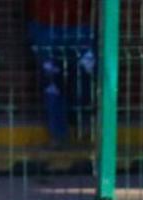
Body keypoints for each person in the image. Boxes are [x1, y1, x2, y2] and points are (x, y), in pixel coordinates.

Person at [26, 0, 96, 148]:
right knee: (52, 82)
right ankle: (60, 134)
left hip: (79, 22)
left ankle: (85, 127)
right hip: (45, 23)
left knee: (84, 78)